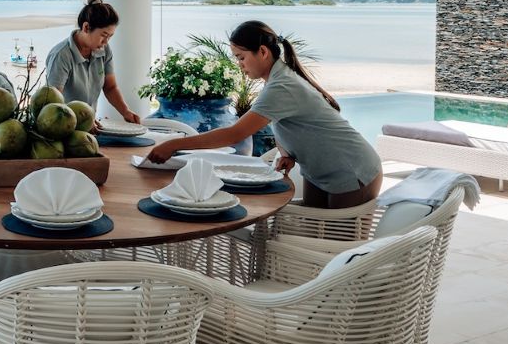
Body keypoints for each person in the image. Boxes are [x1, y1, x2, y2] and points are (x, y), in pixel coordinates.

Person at [145, 20, 382, 209]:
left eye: (241, 57)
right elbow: (290, 122)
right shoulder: (279, 80)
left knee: (341, 253)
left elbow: (234, 134)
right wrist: (287, 152)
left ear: (262, 52)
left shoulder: (282, 86)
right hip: (322, 171)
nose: (239, 64)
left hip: (353, 170)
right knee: (318, 240)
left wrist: (174, 145)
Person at [39, 0, 139, 126]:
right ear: (86, 27)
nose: (106, 42)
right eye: (104, 35)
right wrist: (81, 121)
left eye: (110, 36)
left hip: (88, 125)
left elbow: (110, 87)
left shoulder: (104, 50)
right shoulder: (61, 55)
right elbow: (53, 105)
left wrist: (126, 111)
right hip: (61, 127)